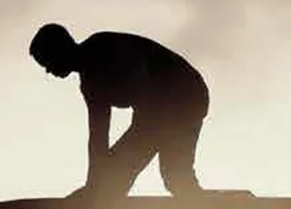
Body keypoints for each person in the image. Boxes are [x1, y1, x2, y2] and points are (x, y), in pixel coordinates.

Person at [29, 24, 210, 198]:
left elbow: (142, 82)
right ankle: (100, 208)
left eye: (47, 62)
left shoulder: (103, 47)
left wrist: (106, 179)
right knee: (115, 175)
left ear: (60, 49)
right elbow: (98, 138)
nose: (49, 71)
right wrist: (93, 184)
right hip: (161, 110)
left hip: (187, 94)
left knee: (173, 175)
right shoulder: (90, 87)